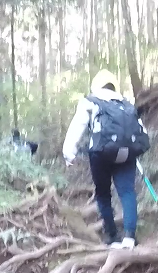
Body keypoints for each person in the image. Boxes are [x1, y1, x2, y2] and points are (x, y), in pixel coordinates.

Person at [62, 69, 150, 249]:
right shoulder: (126, 103)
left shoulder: (90, 101)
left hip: (100, 153)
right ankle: (130, 237)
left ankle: (112, 236)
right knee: (127, 192)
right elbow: (142, 132)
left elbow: (77, 127)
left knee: (103, 194)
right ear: (114, 85)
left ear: (96, 85)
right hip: (127, 152)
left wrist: (68, 153)